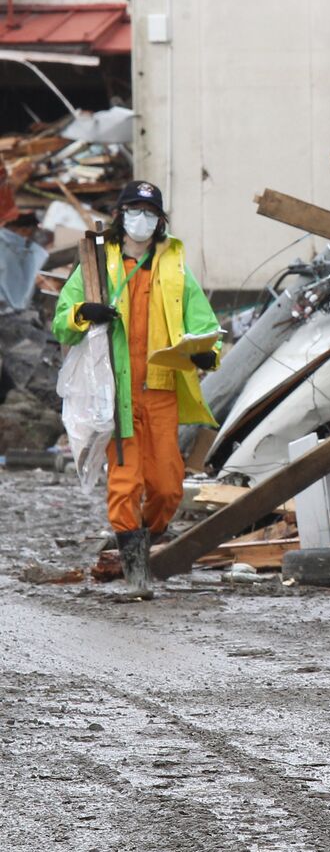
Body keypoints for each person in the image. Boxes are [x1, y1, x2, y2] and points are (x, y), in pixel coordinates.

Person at [53, 181, 221, 598]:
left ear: (159, 220)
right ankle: (136, 571)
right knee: (125, 481)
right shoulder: (96, 263)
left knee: (167, 486)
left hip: (160, 388)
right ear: (120, 215)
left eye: (149, 212)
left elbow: (205, 326)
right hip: (117, 393)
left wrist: (207, 354)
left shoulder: (174, 267)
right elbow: (61, 320)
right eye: (134, 210)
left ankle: (144, 536)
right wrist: (81, 312)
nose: (141, 219)